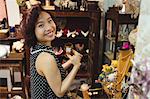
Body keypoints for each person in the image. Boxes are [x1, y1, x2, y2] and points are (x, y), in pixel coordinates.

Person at [21, 4, 82, 99]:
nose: (49, 28)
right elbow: (60, 91)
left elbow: (53, 72)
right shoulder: (46, 58)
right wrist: (76, 66)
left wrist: (70, 62)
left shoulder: (37, 49)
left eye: (50, 21)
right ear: (33, 31)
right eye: (41, 25)